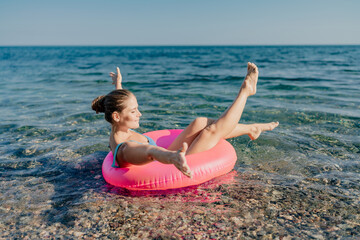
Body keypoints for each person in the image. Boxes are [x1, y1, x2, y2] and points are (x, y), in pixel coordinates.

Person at [92, 63, 279, 178]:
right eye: (134, 111)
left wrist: (118, 86)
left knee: (199, 122)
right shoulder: (125, 149)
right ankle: (245, 92)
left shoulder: (117, 125)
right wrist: (173, 157)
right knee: (210, 132)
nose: (139, 114)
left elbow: (116, 105)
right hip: (170, 165)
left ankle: (251, 129)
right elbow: (150, 152)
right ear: (117, 116)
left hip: (167, 157)